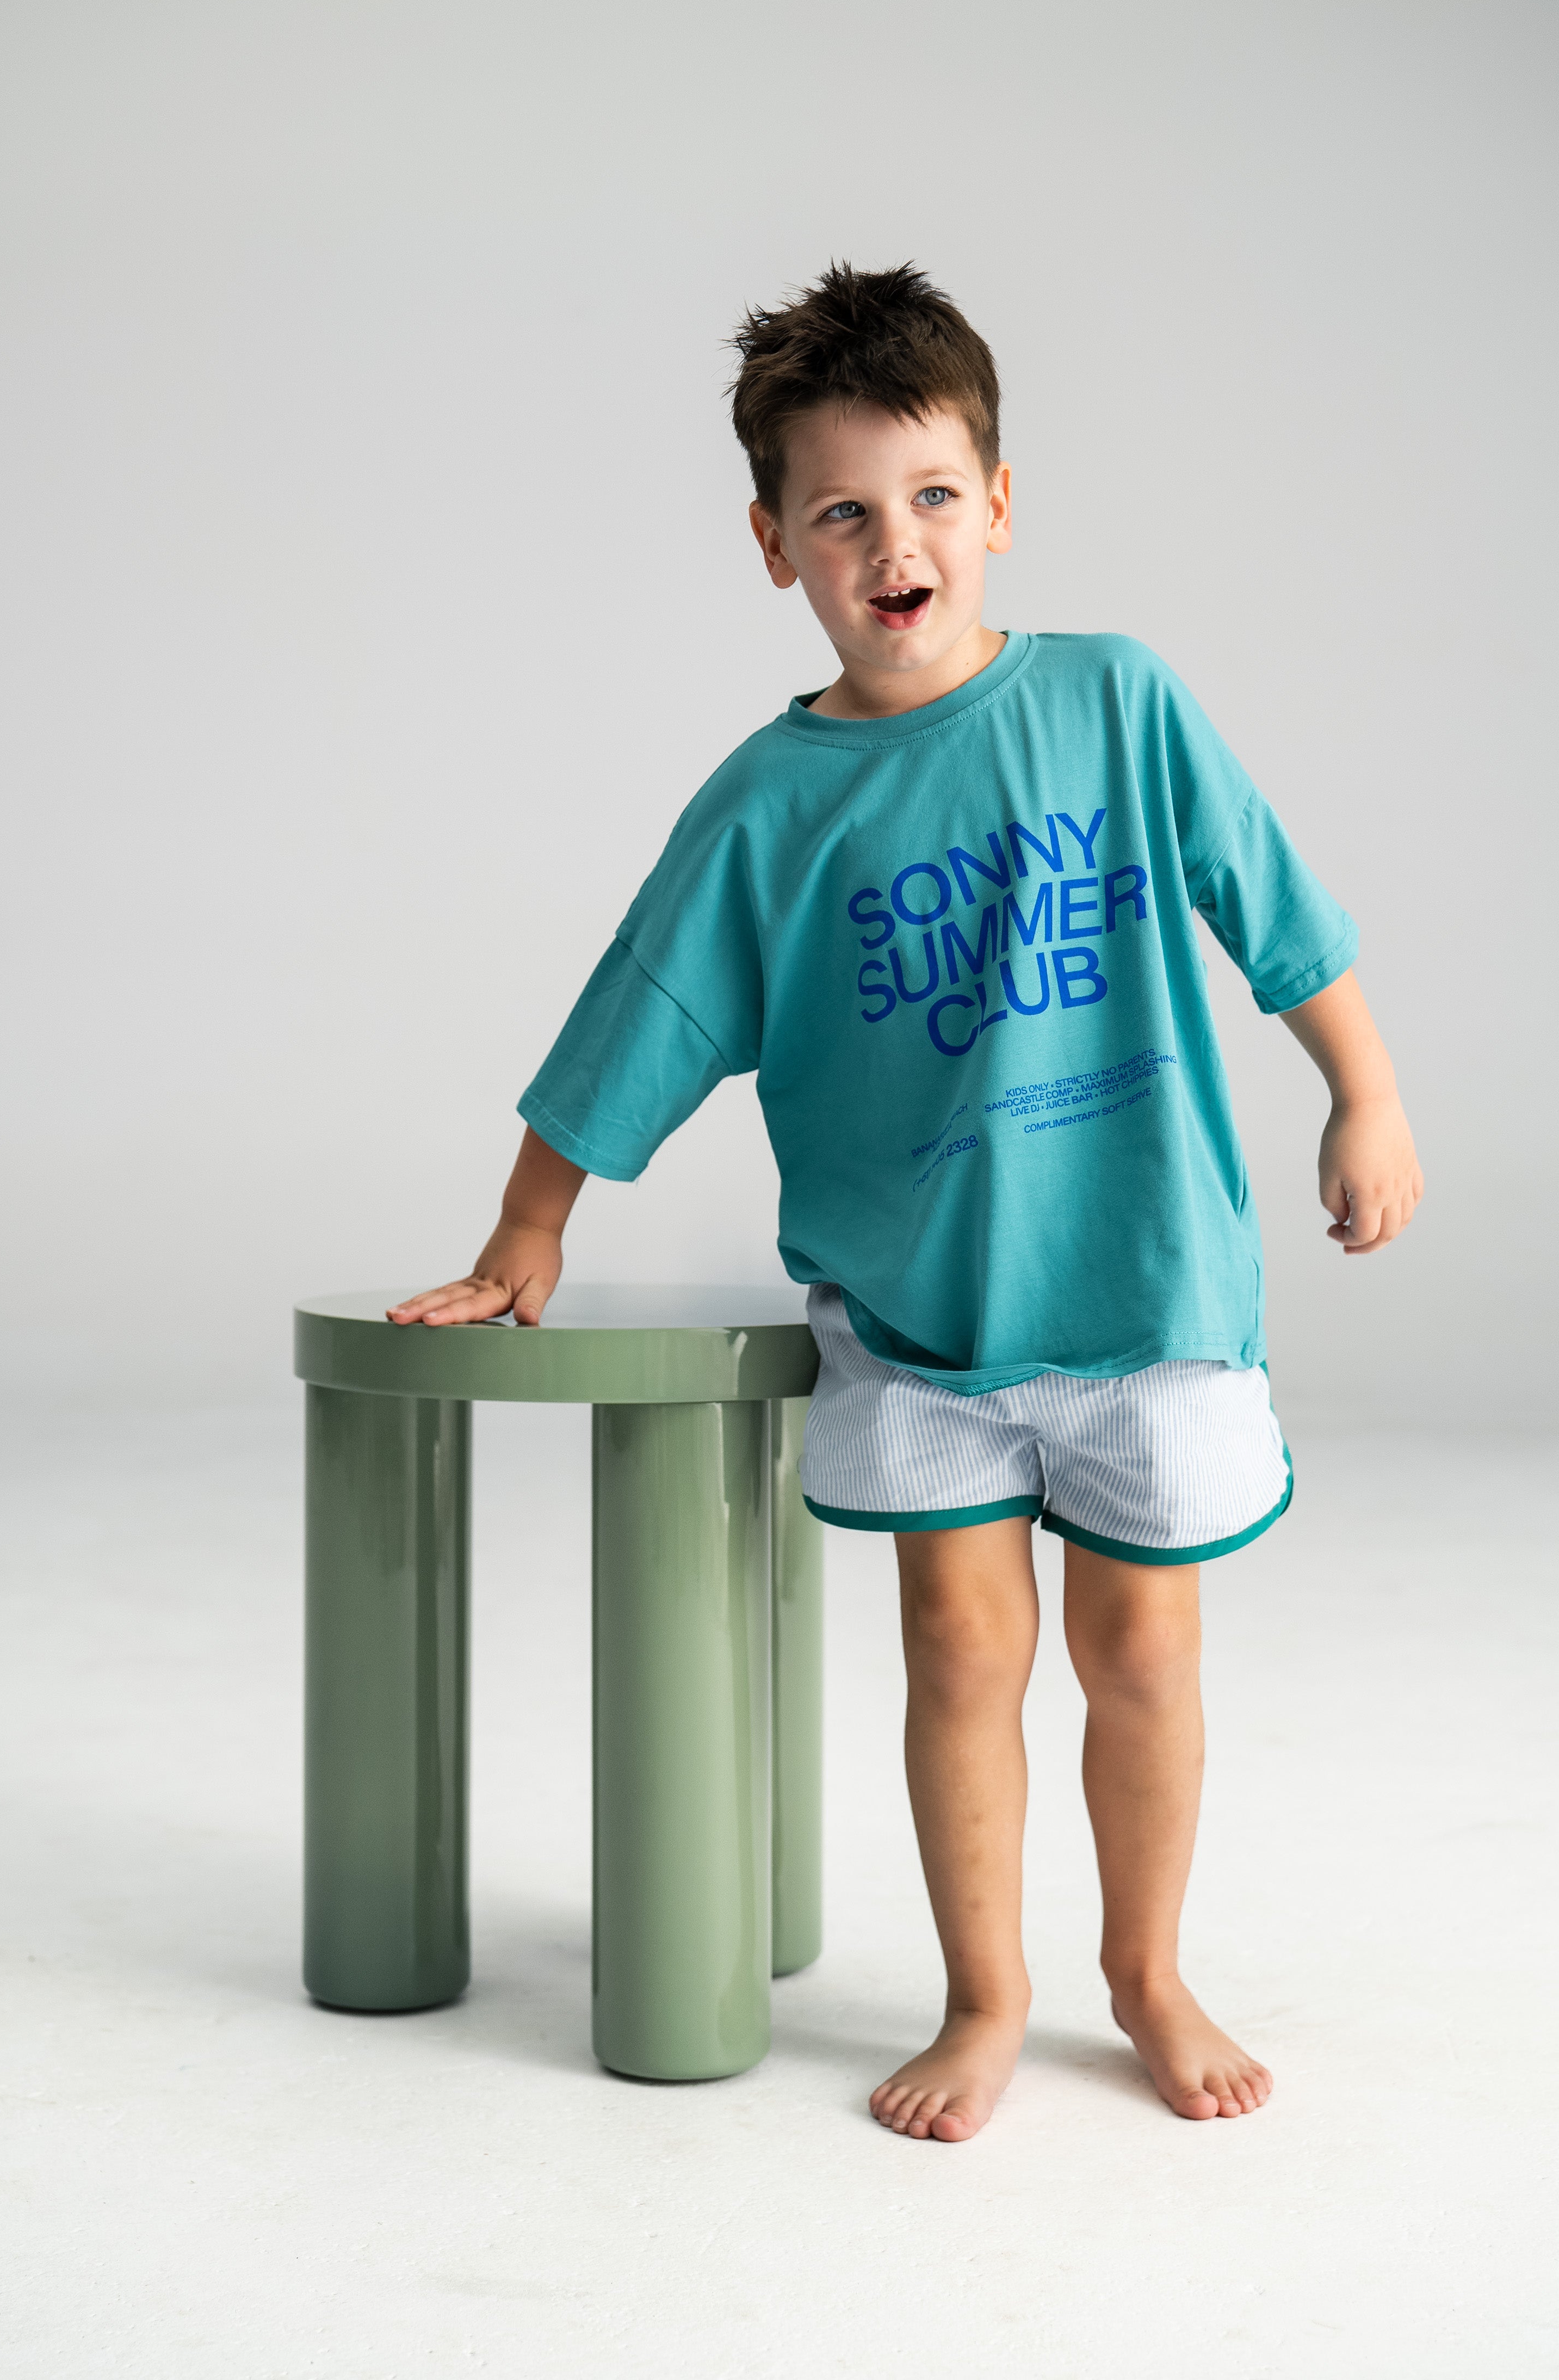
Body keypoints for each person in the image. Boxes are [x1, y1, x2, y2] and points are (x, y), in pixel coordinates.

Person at [391, 263, 1422, 2141]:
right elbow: (644, 1016)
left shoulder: (1117, 705)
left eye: (934, 496)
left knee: (1143, 1650)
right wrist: (524, 1230)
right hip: (929, 1328)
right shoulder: (768, 805)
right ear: (774, 539)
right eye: (845, 509)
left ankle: (1146, 1969)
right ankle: (989, 1995)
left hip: (1150, 1295)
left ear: (1001, 505)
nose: (896, 542)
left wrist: (1363, 1092)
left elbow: (1270, 903)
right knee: (959, 1653)